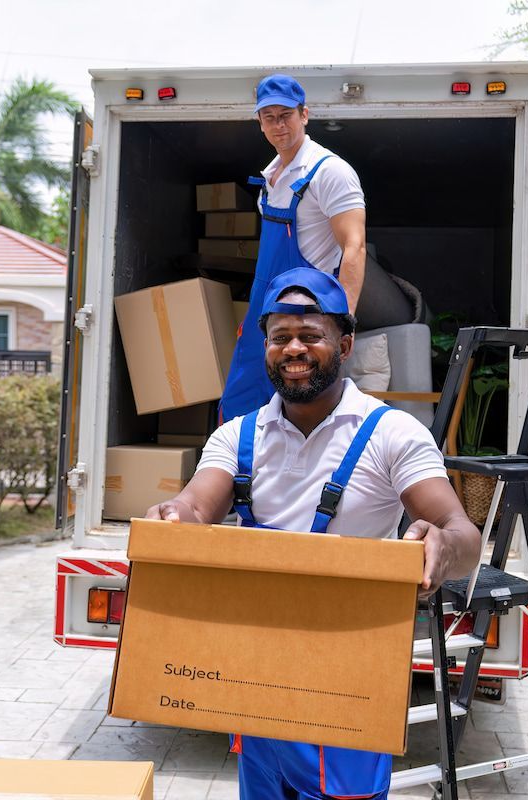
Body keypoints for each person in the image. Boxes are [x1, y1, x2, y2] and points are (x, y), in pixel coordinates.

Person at [148, 267, 481, 800]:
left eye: (310, 335)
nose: (294, 348)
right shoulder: (238, 436)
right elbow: (195, 502)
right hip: (256, 668)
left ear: (345, 344)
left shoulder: (392, 433)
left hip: (348, 669)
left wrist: (441, 550)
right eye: (281, 338)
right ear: (266, 348)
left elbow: (460, 530)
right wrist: (173, 517)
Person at [220, 73, 367, 422]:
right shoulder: (270, 177)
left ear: (304, 114)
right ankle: (244, 478)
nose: (278, 125)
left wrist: (341, 322)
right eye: (268, 117)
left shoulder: (329, 172)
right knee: (241, 410)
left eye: (285, 115)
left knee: (300, 413)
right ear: (259, 122)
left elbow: (355, 247)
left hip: (306, 317)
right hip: (267, 313)